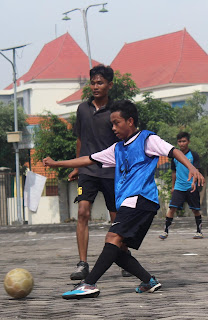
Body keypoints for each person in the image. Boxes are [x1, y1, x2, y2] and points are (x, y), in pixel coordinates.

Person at [43, 100, 204, 299]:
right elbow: (89, 159)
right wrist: (57, 164)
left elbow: (173, 151)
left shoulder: (147, 139)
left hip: (140, 200)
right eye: (111, 124)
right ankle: (148, 281)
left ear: (130, 121)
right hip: (134, 204)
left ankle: (89, 284)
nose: (113, 127)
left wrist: (192, 167)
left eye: (116, 123)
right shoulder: (117, 149)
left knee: (112, 239)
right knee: (116, 248)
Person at [67, 64, 129, 280]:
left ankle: (125, 258)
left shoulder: (116, 110)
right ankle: (83, 263)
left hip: (112, 172)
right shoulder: (82, 109)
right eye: (92, 82)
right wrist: (76, 166)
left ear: (109, 85)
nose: (95, 86)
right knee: (83, 212)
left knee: (116, 218)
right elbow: (80, 139)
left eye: (100, 83)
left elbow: (125, 140)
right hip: (88, 171)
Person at [159, 132, 203, 240]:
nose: (182, 143)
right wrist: (173, 187)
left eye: (184, 141)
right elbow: (174, 172)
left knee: (195, 209)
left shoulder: (193, 155)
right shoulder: (175, 156)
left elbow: (196, 170)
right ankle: (165, 231)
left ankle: (199, 231)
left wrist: (194, 182)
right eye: (179, 141)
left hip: (190, 186)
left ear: (188, 142)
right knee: (172, 208)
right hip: (179, 187)